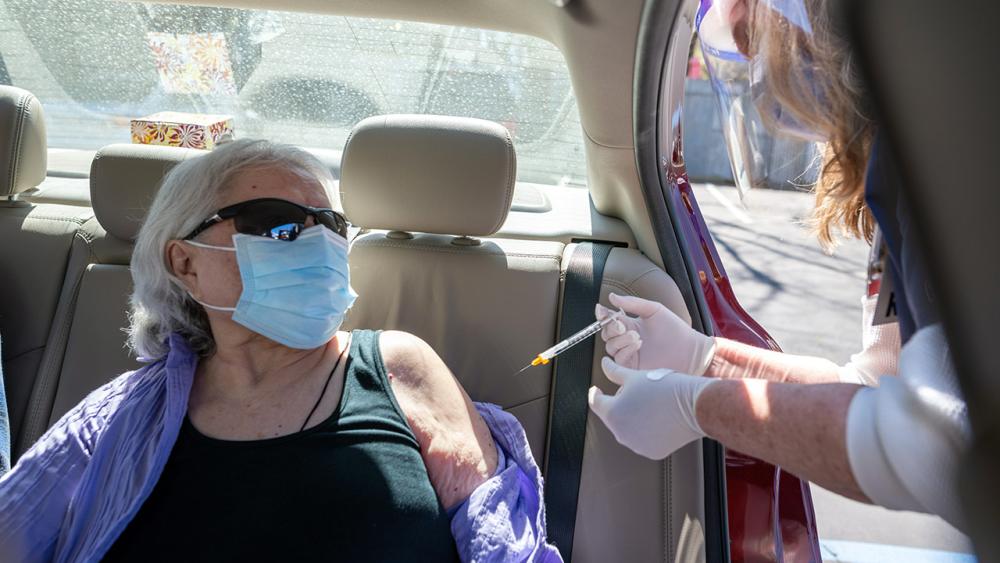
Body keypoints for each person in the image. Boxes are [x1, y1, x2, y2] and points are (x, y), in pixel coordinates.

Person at [0, 139, 560, 562]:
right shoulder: (121, 418)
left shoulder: (396, 367)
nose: (319, 241)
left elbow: (503, 540)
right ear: (186, 263)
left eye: (331, 224)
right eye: (278, 226)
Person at [588, 0, 970, 530]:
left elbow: (934, 447)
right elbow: (876, 391)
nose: (758, 77)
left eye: (753, 40)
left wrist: (697, 405)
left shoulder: (949, 141)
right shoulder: (905, 153)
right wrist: (703, 355)